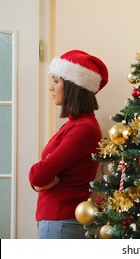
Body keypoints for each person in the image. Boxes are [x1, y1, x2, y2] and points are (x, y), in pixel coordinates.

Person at [29, 50, 109, 239]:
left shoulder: (83, 129)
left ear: (74, 86)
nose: (51, 87)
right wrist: (40, 181)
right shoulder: (74, 125)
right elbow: (40, 177)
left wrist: (39, 177)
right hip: (57, 221)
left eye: (56, 81)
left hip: (62, 224)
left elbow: (38, 174)